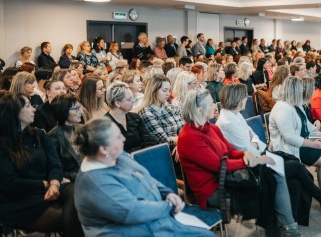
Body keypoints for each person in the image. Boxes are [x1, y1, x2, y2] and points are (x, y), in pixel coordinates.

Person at [217, 83, 321, 218]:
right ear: (237, 99)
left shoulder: (236, 115)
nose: (247, 98)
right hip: (250, 165)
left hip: (259, 155)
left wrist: (253, 143)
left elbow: (255, 138)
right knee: (297, 167)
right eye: (244, 96)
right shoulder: (228, 122)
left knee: (297, 170)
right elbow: (250, 148)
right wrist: (253, 143)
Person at [177, 89, 301, 236]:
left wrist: (245, 154)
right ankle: (287, 230)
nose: (214, 107)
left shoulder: (212, 128)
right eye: (211, 105)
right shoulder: (189, 137)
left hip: (225, 178)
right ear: (199, 110)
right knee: (268, 182)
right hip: (212, 190)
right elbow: (218, 166)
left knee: (270, 176)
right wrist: (251, 161)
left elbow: (230, 152)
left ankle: (286, 229)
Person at [73, 118, 214, 237]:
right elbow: (132, 211)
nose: (123, 138)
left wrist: (168, 193)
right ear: (103, 150)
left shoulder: (116, 155)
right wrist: (169, 206)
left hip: (154, 222)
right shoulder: (95, 182)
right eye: (117, 137)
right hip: (135, 231)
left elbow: (145, 176)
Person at [0, 93, 83, 237]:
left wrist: (55, 183)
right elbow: (10, 184)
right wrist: (45, 184)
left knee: (80, 191)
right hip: (22, 200)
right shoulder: (3, 145)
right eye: (27, 106)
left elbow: (55, 164)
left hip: (52, 187)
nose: (33, 110)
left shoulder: (39, 135)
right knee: (81, 216)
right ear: (14, 112)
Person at [105, 82, 156, 153]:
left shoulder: (135, 118)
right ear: (117, 103)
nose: (133, 101)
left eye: (132, 98)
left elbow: (147, 139)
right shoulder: (104, 125)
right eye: (129, 99)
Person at [139, 75, 184, 147]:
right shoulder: (146, 113)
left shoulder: (171, 107)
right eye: (164, 90)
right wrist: (182, 141)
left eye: (169, 90)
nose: (168, 94)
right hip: (166, 152)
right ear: (154, 92)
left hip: (180, 147)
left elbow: (184, 129)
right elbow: (164, 142)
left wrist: (180, 144)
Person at [48, 94, 83, 181]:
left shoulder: (82, 129)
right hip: (71, 180)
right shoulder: (52, 137)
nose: (81, 111)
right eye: (76, 109)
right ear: (64, 111)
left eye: (80, 107)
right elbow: (54, 169)